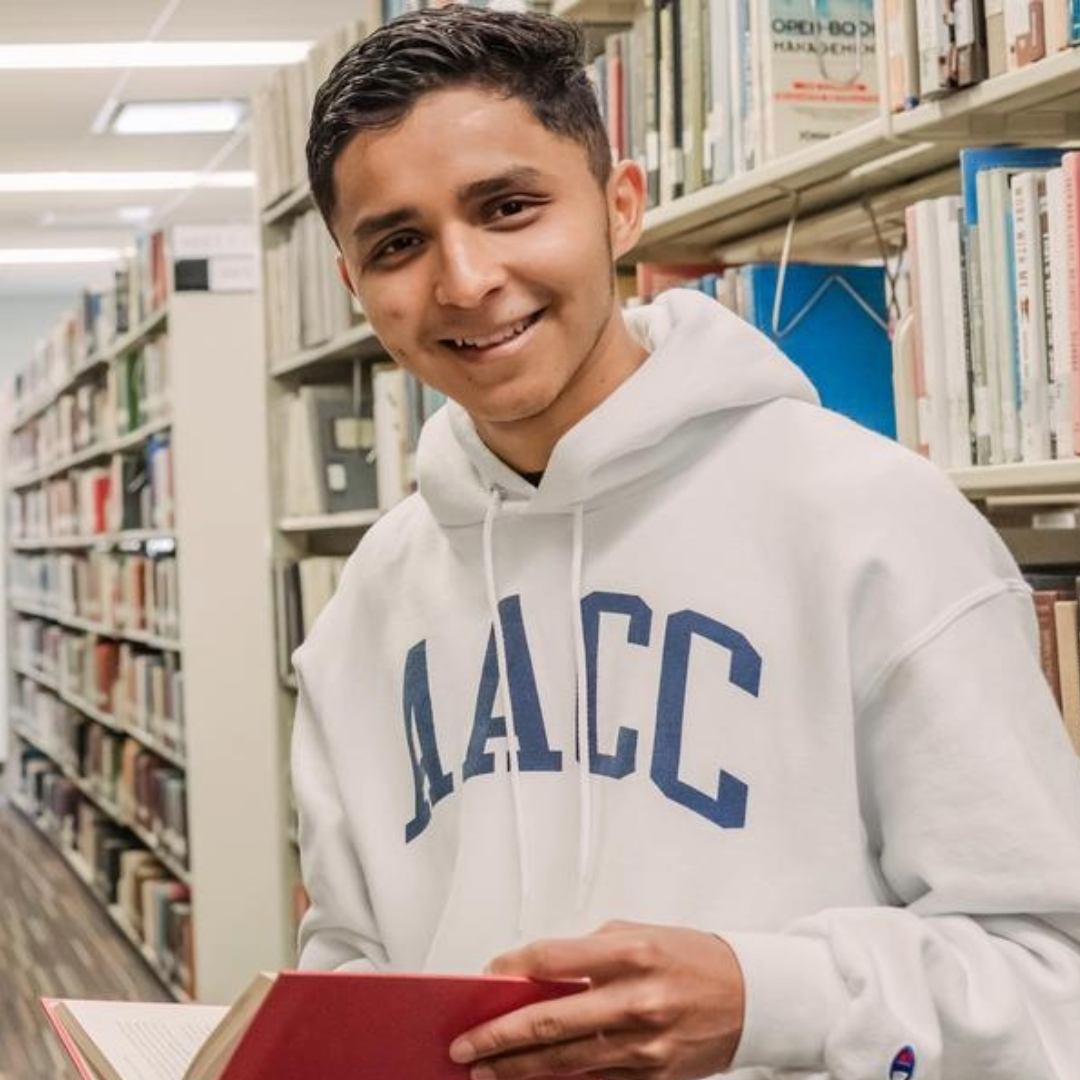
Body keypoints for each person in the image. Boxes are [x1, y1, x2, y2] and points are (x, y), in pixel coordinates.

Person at [292, 5, 1080, 1078]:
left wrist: (768, 1001)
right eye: (398, 242)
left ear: (621, 209)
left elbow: (1053, 984)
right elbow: (350, 955)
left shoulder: (876, 525)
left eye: (510, 207)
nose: (465, 279)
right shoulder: (368, 605)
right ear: (354, 285)